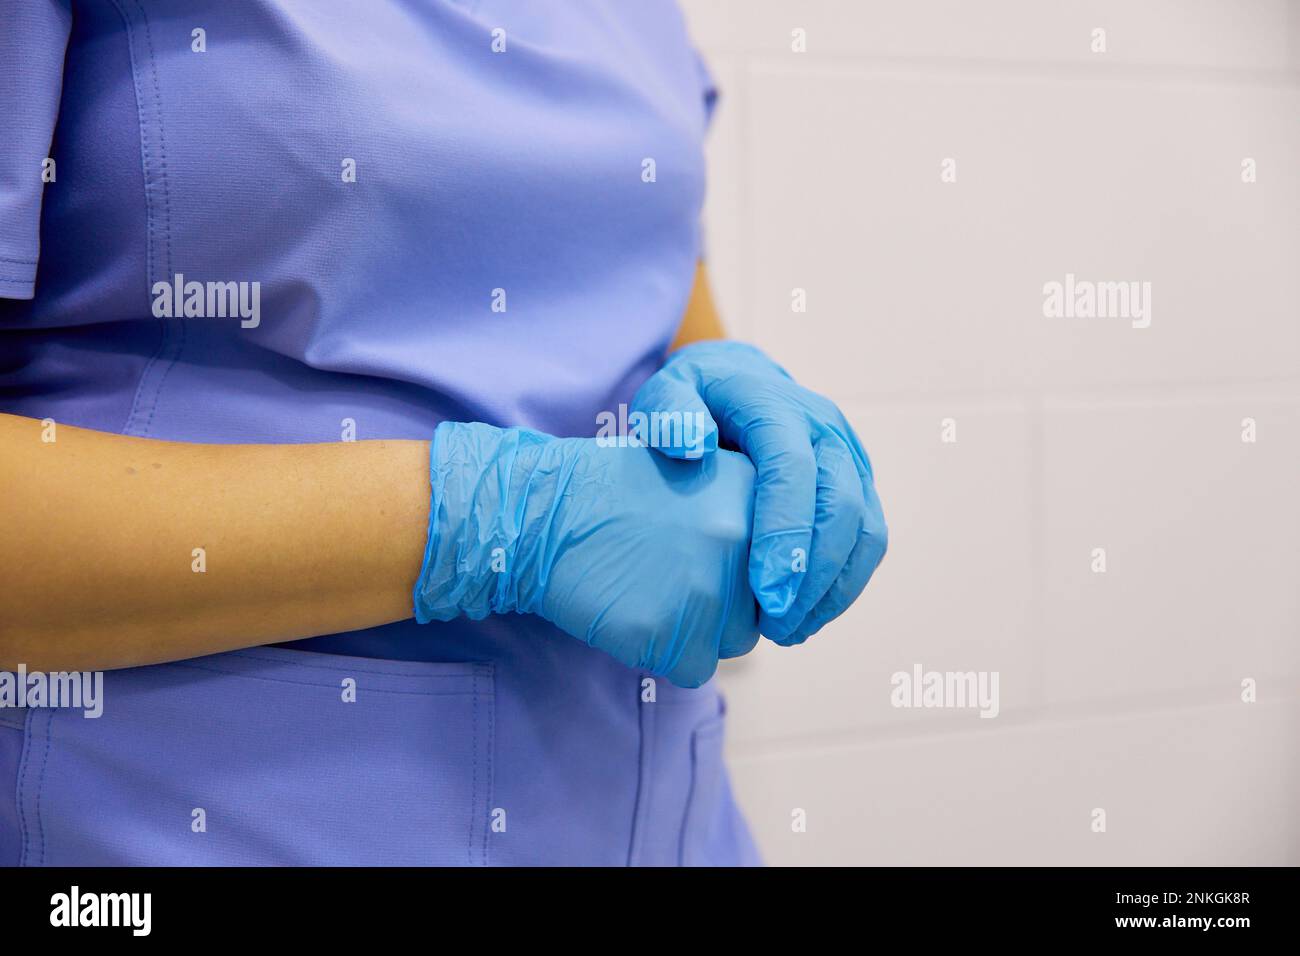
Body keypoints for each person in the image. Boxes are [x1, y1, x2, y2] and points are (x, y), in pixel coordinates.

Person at [0, 0, 886, 866]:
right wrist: (494, 519)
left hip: (660, 819)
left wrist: (752, 435)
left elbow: (658, 306)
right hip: (230, 816)